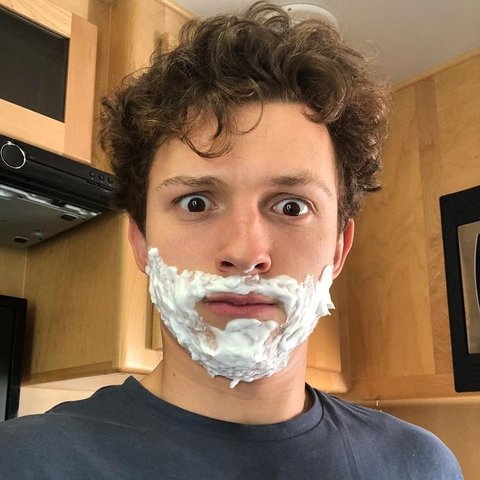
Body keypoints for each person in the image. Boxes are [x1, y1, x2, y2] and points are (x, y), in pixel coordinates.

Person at [0, 2, 463, 478]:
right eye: (196, 203)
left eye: (291, 207)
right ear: (140, 241)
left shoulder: (421, 467)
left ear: (339, 249)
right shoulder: (21, 463)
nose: (245, 254)